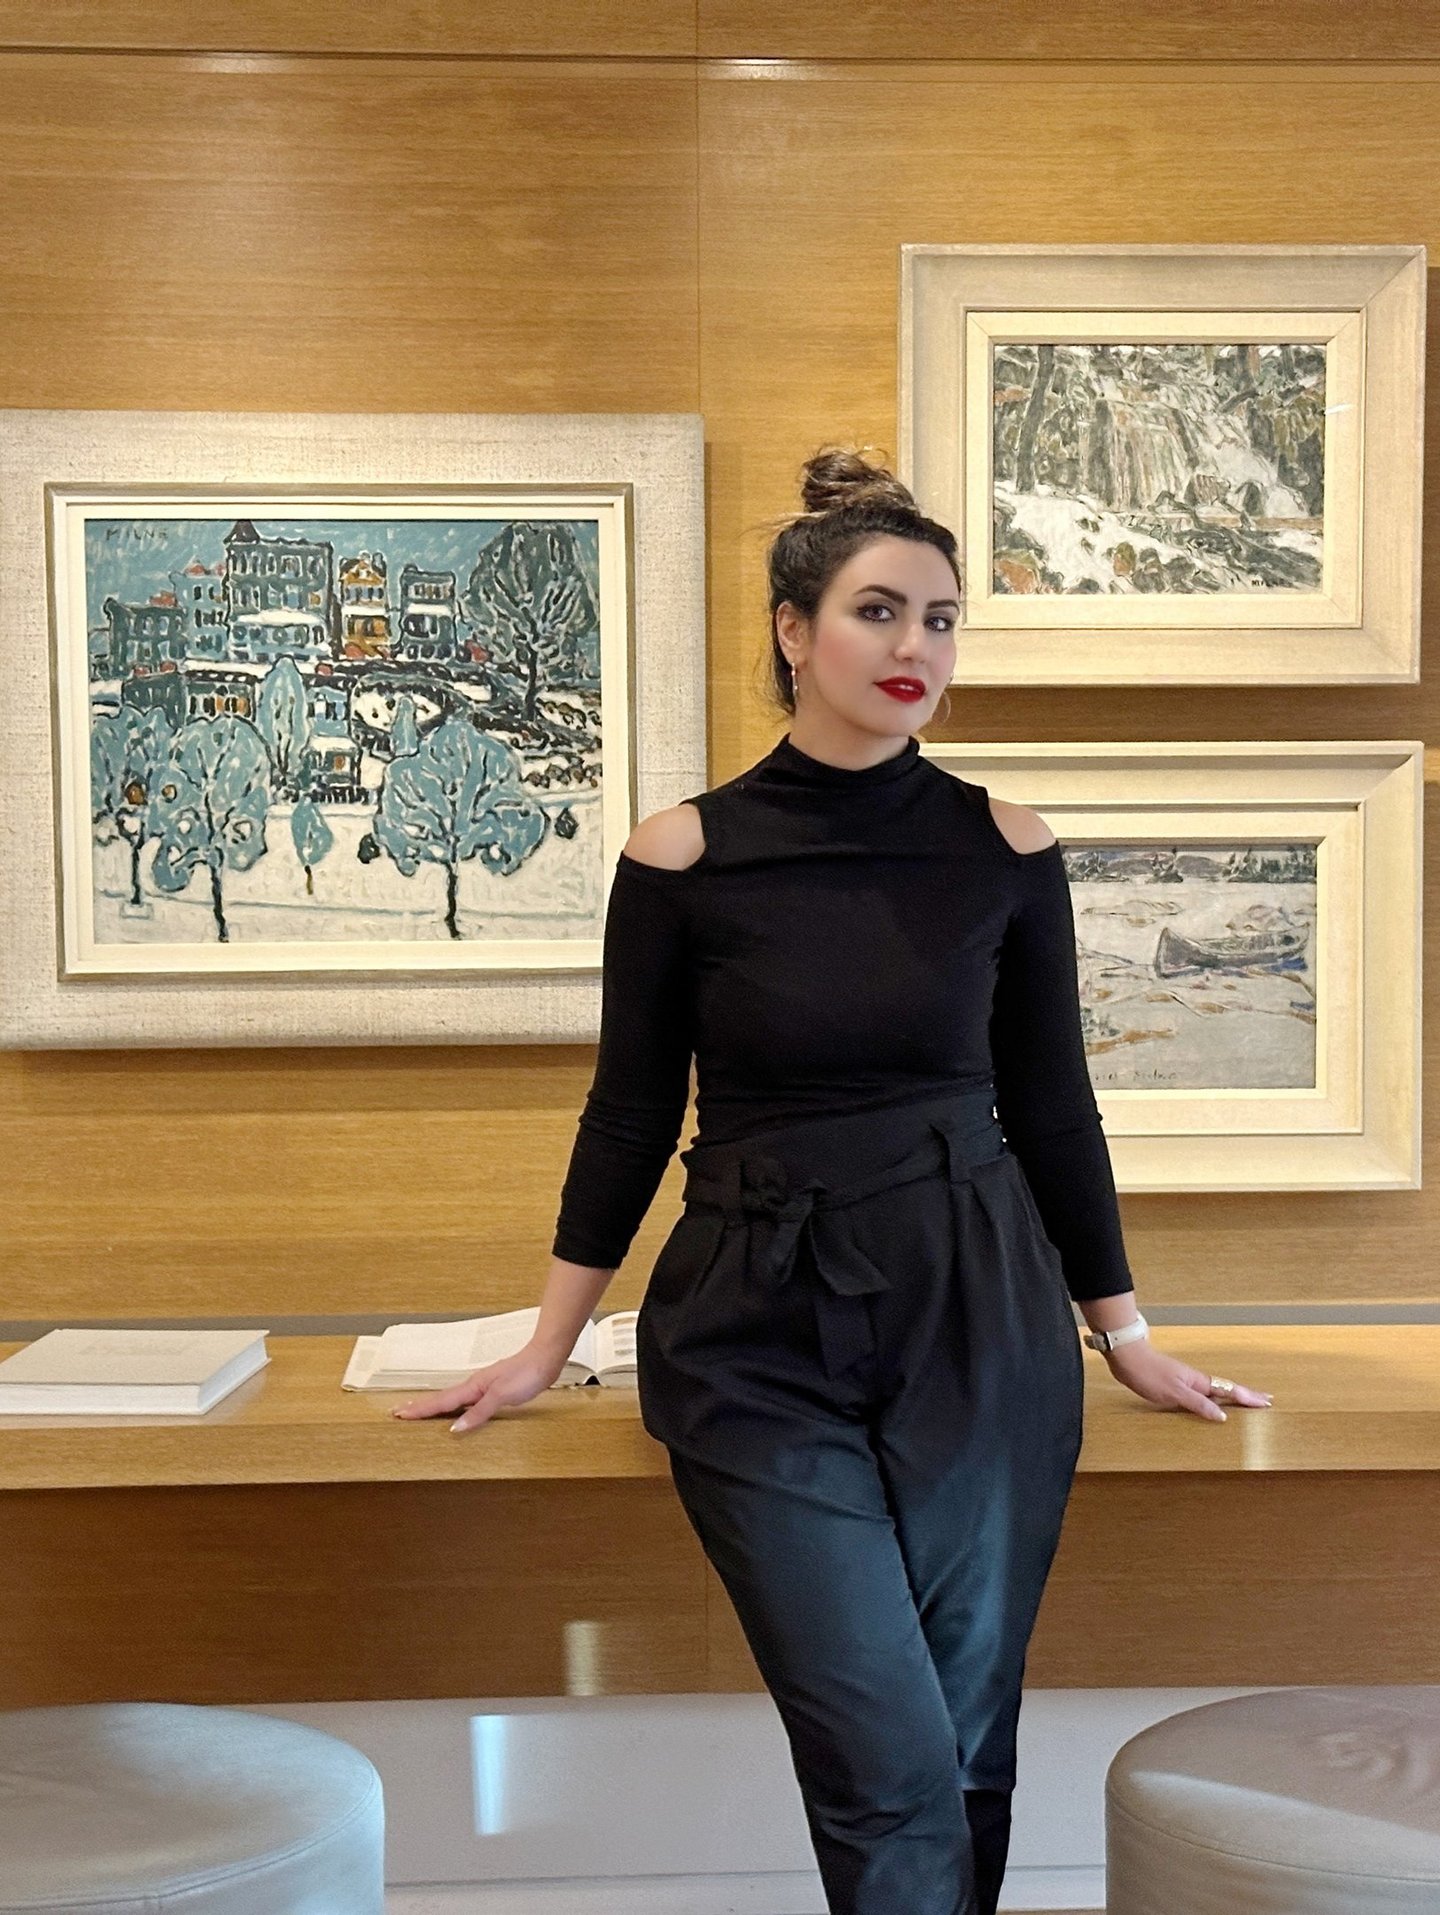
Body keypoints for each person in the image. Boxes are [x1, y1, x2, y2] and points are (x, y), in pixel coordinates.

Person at [395, 445, 1274, 1915]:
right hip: (752, 1332)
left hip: (980, 1318)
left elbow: (1056, 1110)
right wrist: (548, 1341)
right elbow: (628, 1114)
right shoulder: (684, 854)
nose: (916, 645)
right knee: (884, 1746)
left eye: (942, 620)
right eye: (880, 611)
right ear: (794, 632)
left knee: (967, 1735)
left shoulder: (1006, 846)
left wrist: (1124, 1334)